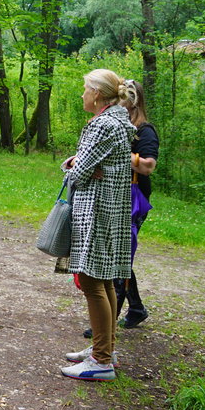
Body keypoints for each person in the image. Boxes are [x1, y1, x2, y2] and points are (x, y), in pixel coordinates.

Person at [59, 69, 135, 381]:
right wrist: (79, 165)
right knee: (103, 282)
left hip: (97, 209)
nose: (82, 95)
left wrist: (74, 166)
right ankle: (104, 349)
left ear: (98, 94)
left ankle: (101, 360)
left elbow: (78, 173)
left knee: (92, 281)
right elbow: (87, 166)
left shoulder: (102, 124)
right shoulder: (117, 120)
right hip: (110, 208)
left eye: (85, 89)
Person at [83, 78, 157, 337]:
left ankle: (106, 328)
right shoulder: (115, 124)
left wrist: (114, 153)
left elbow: (148, 165)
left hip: (133, 198)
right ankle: (134, 309)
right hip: (112, 194)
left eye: (124, 95)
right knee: (116, 256)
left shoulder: (144, 130)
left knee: (118, 257)